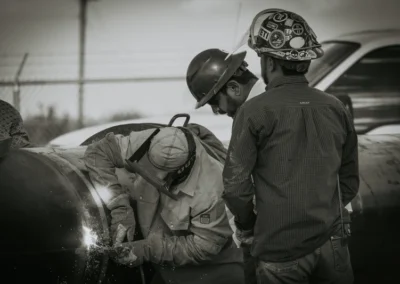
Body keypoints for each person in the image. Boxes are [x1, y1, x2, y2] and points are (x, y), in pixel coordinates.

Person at [221, 9, 359, 284]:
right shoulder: (336, 108)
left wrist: (249, 225)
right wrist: (323, 216)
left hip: (280, 251)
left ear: (270, 62)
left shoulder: (253, 112)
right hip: (333, 244)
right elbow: (349, 180)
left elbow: (236, 188)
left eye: (261, 57)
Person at [83, 126, 244, 284]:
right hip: (165, 270)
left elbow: (204, 248)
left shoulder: (212, 191)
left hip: (214, 271)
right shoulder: (153, 141)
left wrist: (147, 249)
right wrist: (120, 207)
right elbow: (97, 153)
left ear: (180, 171)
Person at [186, 48, 266, 284]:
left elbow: (237, 187)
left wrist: (246, 229)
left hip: (280, 239)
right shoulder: (308, 97)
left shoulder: (251, 115)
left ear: (233, 87)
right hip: (332, 232)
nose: (218, 111)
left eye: (214, 101)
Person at [187, 48, 266, 118]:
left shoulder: (258, 117)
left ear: (234, 88)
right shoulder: (272, 97)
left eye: (214, 103)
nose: (217, 111)